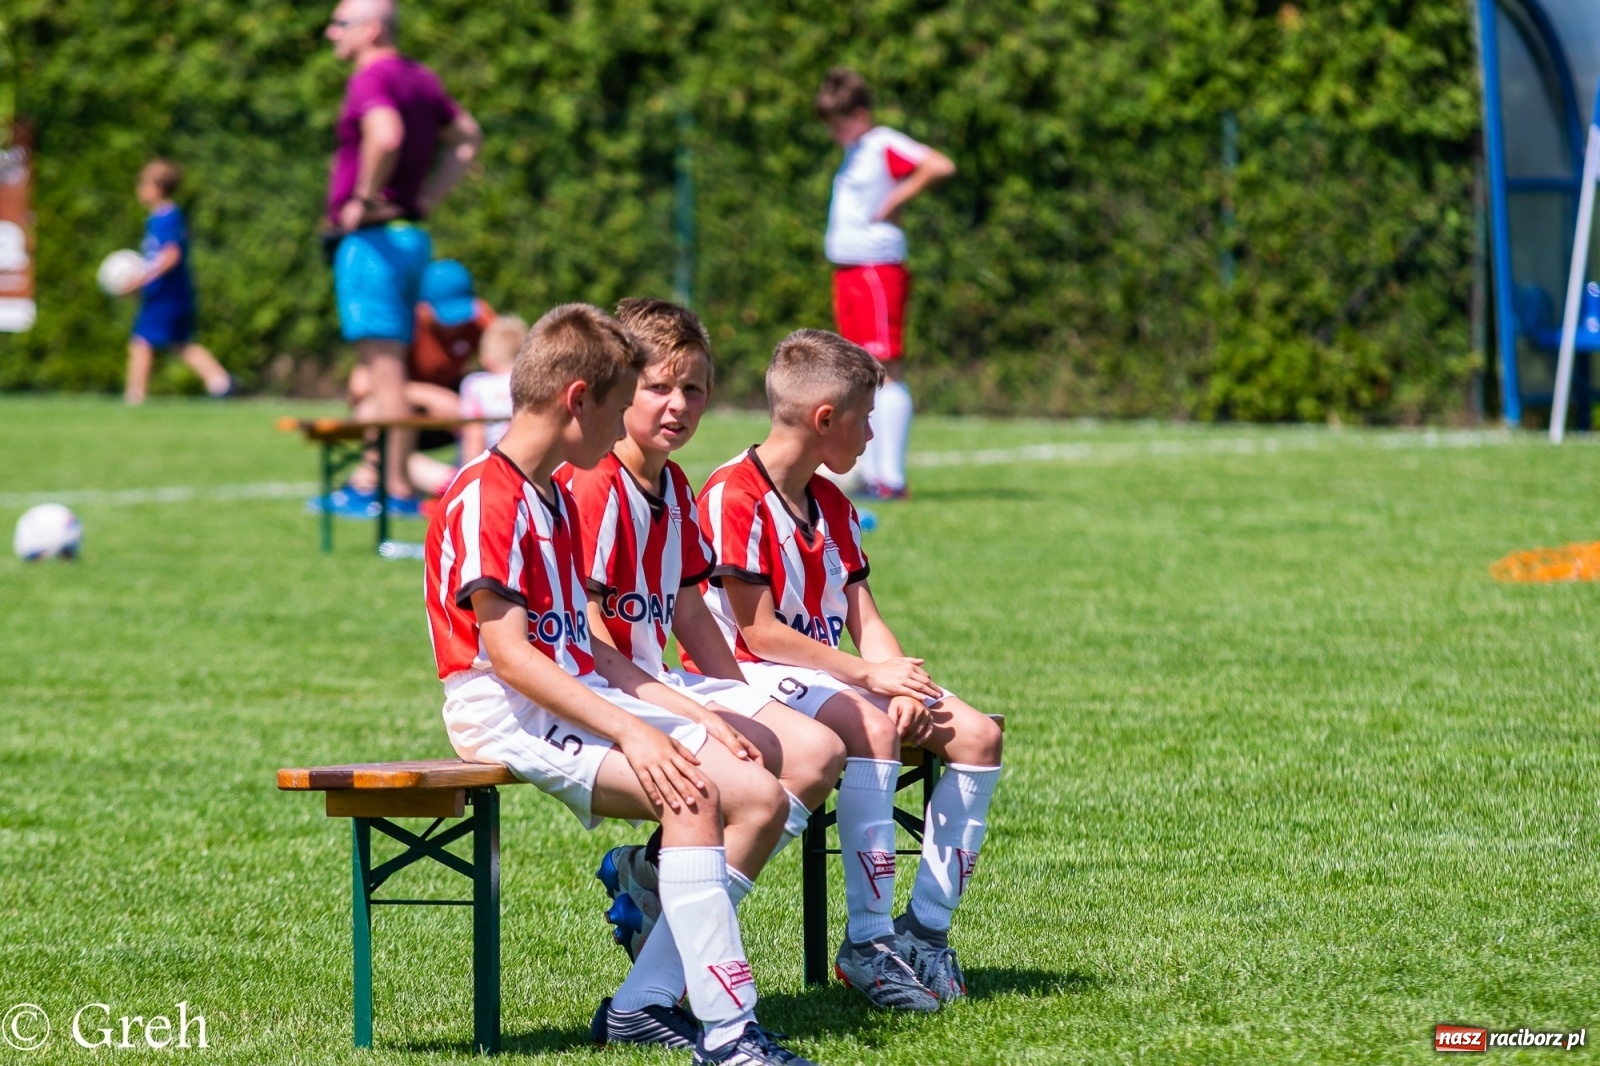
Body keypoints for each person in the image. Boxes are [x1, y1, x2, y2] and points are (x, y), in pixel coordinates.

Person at [424, 303, 816, 1066]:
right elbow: (509, 658)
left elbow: (590, 651)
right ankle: (730, 1033)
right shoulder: (486, 495)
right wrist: (634, 730)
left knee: (762, 795)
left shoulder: (549, 494)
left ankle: (641, 1006)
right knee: (696, 795)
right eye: (620, 405)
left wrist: (683, 706)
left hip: (570, 694)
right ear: (579, 401)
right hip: (506, 713)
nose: (621, 431)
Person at [685, 328, 1003, 1011]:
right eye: (864, 419)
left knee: (979, 737)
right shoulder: (729, 495)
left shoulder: (833, 503)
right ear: (825, 418)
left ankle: (924, 932)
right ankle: (868, 941)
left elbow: (865, 613)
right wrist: (868, 680)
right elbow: (757, 631)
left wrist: (898, 677)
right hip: (747, 675)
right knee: (870, 726)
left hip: (830, 673)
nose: (870, 436)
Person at [563, 298, 846, 965]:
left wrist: (738, 696)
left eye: (692, 389)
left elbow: (691, 612)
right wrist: (702, 712)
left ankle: (662, 885)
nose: (678, 405)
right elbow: (593, 638)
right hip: (612, 691)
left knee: (813, 748)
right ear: (620, 387)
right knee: (800, 757)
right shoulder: (598, 486)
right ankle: (676, 929)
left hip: (660, 683)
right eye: (659, 387)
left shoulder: (677, 485)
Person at [325, 0, 482, 516]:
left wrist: (363, 198)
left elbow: (385, 132)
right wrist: (429, 198)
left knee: (384, 374)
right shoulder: (420, 77)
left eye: (340, 24)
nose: (331, 33)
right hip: (411, 235)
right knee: (383, 369)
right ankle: (385, 479)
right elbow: (467, 137)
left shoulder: (372, 78)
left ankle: (390, 489)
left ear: (370, 30)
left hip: (374, 241)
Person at [815, 68, 954, 500]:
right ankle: (869, 474)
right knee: (860, 372)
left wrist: (896, 199)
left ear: (859, 113)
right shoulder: (856, 151)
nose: (835, 133)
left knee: (886, 368)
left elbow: (939, 165)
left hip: (876, 270)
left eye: (839, 123)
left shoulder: (882, 143)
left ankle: (891, 480)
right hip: (851, 271)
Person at [121, 159, 231, 405]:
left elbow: (170, 255)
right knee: (181, 343)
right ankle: (220, 381)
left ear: (157, 188)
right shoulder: (166, 216)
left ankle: (135, 395)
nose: (139, 189)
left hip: (165, 295)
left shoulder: (165, 217)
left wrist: (142, 279)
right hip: (173, 293)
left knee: (141, 342)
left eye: (143, 184)